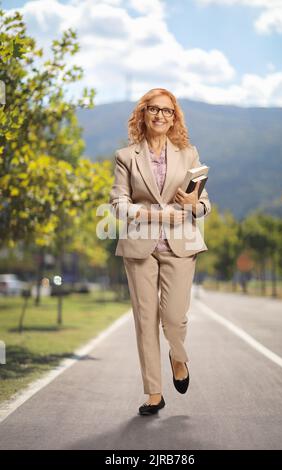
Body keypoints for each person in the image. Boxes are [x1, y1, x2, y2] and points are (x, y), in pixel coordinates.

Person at [109, 88, 211, 416]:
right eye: (153, 109)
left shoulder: (189, 154)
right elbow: (118, 203)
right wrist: (154, 214)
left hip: (180, 246)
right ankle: (154, 393)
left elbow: (204, 204)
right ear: (143, 114)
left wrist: (196, 204)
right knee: (145, 321)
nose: (159, 116)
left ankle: (177, 356)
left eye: (167, 111)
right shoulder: (126, 157)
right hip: (139, 248)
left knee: (174, 319)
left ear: (174, 118)